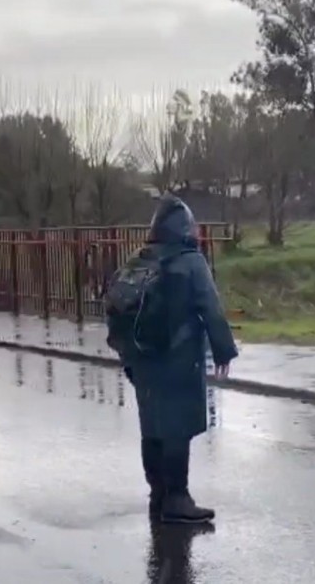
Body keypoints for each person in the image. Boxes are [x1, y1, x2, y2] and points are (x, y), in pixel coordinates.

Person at [111, 195, 238, 524]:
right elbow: (209, 306)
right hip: (177, 358)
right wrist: (224, 349)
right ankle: (177, 498)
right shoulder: (190, 261)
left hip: (141, 358)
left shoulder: (139, 259)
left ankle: (158, 494)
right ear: (184, 227)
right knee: (177, 428)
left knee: (151, 427)